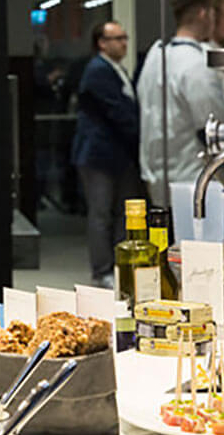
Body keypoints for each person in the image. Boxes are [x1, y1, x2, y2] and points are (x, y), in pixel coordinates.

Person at [71, 21, 143, 288]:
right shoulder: (98, 71)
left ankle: (118, 266)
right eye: (117, 38)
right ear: (101, 43)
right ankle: (102, 271)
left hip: (117, 154)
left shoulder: (116, 68)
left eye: (125, 37)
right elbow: (118, 112)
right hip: (98, 155)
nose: (124, 43)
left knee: (123, 212)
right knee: (101, 214)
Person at [137, 0, 224, 207]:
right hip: (193, 178)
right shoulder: (197, 64)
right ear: (204, 14)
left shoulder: (156, 55)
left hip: (157, 176)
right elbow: (211, 127)